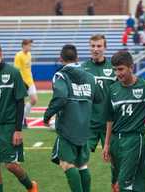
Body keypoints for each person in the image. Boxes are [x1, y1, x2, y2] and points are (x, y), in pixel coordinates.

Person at [43, 44, 103, 192]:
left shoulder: (61, 75)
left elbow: (61, 97)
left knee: (67, 164)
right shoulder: (90, 77)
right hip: (84, 128)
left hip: (68, 127)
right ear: (77, 58)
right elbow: (99, 98)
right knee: (82, 165)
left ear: (60, 59)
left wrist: (47, 115)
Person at [0, 41, 38, 192]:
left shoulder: (13, 72)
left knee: (10, 165)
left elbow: (20, 102)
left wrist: (18, 130)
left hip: (8, 127)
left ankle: (30, 185)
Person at [103, 51, 145, 192]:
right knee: (126, 183)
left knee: (124, 183)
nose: (118, 73)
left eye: (121, 69)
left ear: (131, 67)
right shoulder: (112, 89)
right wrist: (107, 144)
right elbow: (109, 118)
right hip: (115, 141)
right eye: (115, 70)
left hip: (134, 140)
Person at [81, 34, 116, 191]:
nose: (95, 49)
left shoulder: (113, 68)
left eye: (99, 46)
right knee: (80, 161)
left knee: (116, 163)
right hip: (88, 124)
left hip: (110, 124)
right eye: (93, 46)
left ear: (105, 48)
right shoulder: (83, 69)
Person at [14, 39, 38, 127]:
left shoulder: (29, 54)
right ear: (24, 45)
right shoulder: (18, 55)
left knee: (34, 100)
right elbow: (17, 70)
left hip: (30, 81)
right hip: (22, 82)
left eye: (31, 45)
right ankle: (22, 121)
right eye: (29, 45)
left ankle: (22, 117)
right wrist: (21, 82)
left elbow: (28, 69)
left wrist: (31, 79)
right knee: (21, 103)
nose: (30, 47)